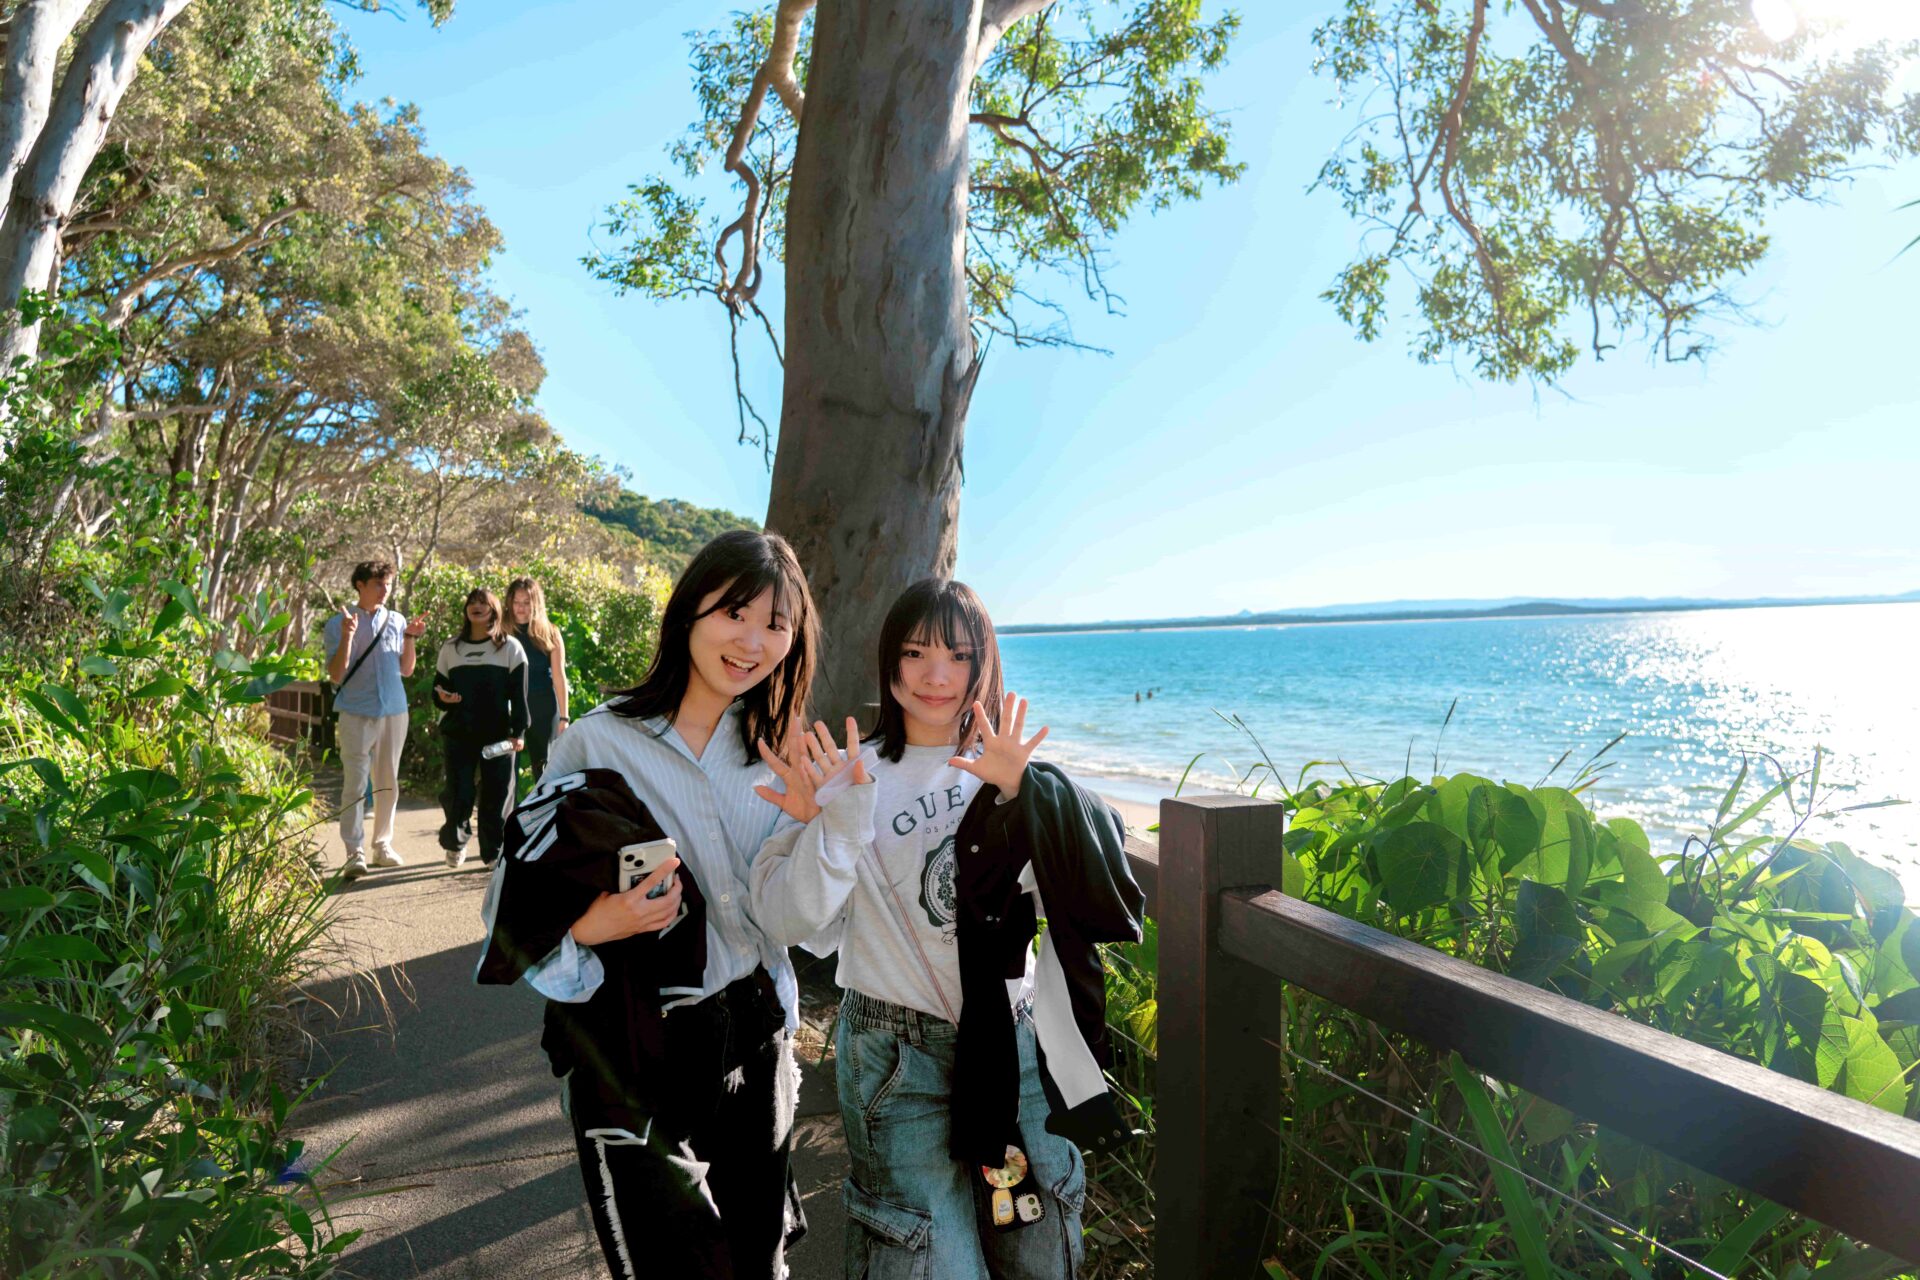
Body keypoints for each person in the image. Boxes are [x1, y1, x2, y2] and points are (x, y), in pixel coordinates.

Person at [750, 579, 1144, 1279]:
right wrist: (833, 822)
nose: (936, 676)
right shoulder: (847, 776)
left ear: (983, 666)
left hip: (1015, 1044)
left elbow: (1104, 894)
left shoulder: (1014, 770)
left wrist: (1026, 794)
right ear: (889, 662)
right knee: (928, 1257)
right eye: (915, 652)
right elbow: (792, 922)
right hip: (895, 1054)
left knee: (1038, 1245)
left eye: (959, 656)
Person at [480, 530, 820, 1280]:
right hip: (638, 1049)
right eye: (735, 612)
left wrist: (827, 824)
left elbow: (806, 925)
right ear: (689, 611)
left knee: (758, 1264)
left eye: (776, 624)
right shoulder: (602, 741)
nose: (753, 640)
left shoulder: (778, 748)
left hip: (757, 1038)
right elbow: (507, 897)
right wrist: (595, 925)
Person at [322, 560, 427, 881]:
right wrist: (347, 636)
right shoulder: (336, 623)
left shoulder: (396, 620)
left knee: (388, 781)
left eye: (389, 584)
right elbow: (336, 674)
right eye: (379, 584)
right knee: (355, 782)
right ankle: (354, 852)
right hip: (355, 710)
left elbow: (406, 670)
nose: (386, 590)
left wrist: (410, 637)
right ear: (361, 585)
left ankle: (382, 845)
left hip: (394, 710)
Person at [433, 587, 529, 867]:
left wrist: (519, 732)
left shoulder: (510, 647)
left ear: (494, 610)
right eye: (472, 602)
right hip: (459, 733)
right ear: (466, 610)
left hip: (499, 735)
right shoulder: (451, 648)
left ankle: (493, 852)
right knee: (458, 792)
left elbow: (519, 697)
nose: (476, 606)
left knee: (497, 795)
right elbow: (438, 695)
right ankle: (455, 843)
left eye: (483, 602)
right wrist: (444, 697)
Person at [504, 575, 570, 785]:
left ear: (536, 604)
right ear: (509, 603)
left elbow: (559, 677)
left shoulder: (550, 633)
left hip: (543, 707)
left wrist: (564, 718)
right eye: (516, 602)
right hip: (511, 707)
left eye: (526, 603)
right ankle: (505, 817)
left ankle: (546, 816)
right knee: (505, 768)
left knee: (543, 769)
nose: (521, 608)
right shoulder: (501, 632)